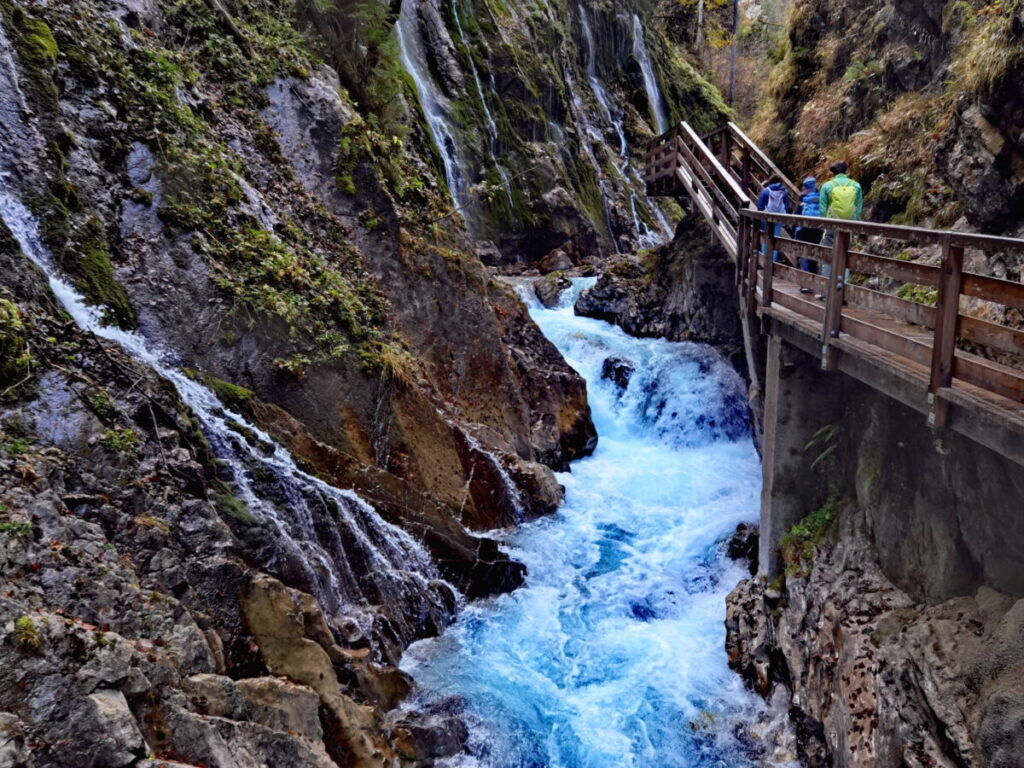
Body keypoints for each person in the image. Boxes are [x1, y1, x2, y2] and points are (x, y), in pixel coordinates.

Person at [818, 161, 862, 287]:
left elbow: (822, 209)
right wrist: (855, 224)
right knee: (846, 255)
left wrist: (823, 225)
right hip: (849, 225)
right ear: (846, 170)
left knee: (828, 255)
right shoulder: (856, 186)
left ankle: (826, 288)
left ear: (833, 172)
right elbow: (858, 208)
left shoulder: (827, 186)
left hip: (832, 224)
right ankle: (842, 288)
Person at [794, 176, 823, 280]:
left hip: (804, 229)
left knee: (804, 254)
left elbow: (796, 215)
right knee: (814, 254)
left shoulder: (803, 198)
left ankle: (805, 281)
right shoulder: (821, 198)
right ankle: (814, 278)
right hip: (817, 229)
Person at [756, 179, 791, 262]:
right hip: (779, 218)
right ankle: (773, 262)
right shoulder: (784, 192)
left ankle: (764, 262)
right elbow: (786, 207)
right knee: (775, 240)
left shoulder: (766, 191)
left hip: (766, 218)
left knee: (764, 239)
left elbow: (760, 207)